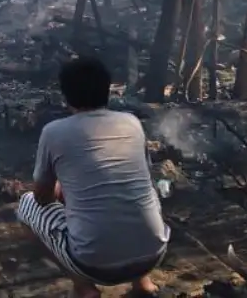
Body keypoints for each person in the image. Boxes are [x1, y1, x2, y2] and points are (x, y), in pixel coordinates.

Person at [15, 56, 170, 298]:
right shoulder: (132, 122)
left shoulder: (53, 132)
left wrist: (62, 191)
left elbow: (42, 198)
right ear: (107, 90)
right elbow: (144, 178)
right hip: (154, 253)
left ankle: (83, 287)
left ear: (66, 95)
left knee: (26, 206)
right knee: (137, 192)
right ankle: (143, 284)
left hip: (96, 265)